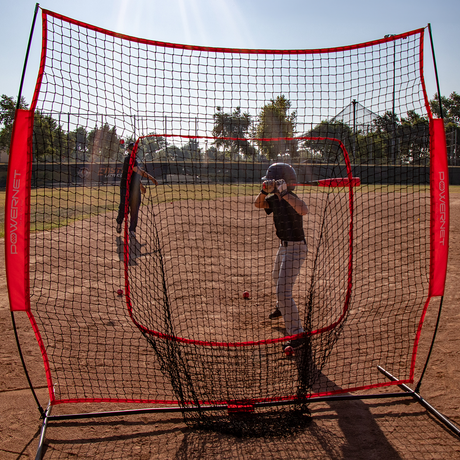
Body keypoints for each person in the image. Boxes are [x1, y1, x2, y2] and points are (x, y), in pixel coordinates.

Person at [255, 163, 308, 353]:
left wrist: (285, 193)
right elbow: (258, 204)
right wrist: (264, 191)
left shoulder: (290, 198)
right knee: (276, 277)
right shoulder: (273, 200)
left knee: (283, 291)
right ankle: (281, 308)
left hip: (296, 248)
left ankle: (298, 334)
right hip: (283, 247)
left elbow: (303, 210)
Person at [116, 142, 158, 238]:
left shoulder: (135, 160)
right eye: (132, 148)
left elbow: (135, 176)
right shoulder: (128, 160)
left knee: (134, 210)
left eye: (135, 149)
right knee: (123, 208)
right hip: (125, 189)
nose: (135, 150)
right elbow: (140, 172)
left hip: (134, 190)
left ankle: (132, 230)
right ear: (128, 150)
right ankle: (119, 222)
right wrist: (152, 178)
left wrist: (141, 186)